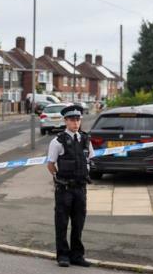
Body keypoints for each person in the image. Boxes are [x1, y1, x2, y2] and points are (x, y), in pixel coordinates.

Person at [45, 104, 94, 267]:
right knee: (62, 223)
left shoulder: (86, 139)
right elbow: (51, 164)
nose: (76, 123)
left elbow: (89, 159)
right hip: (64, 189)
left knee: (78, 223)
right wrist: (57, 178)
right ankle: (63, 256)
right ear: (65, 121)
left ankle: (77, 255)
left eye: (78, 119)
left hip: (80, 188)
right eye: (72, 120)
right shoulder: (57, 142)